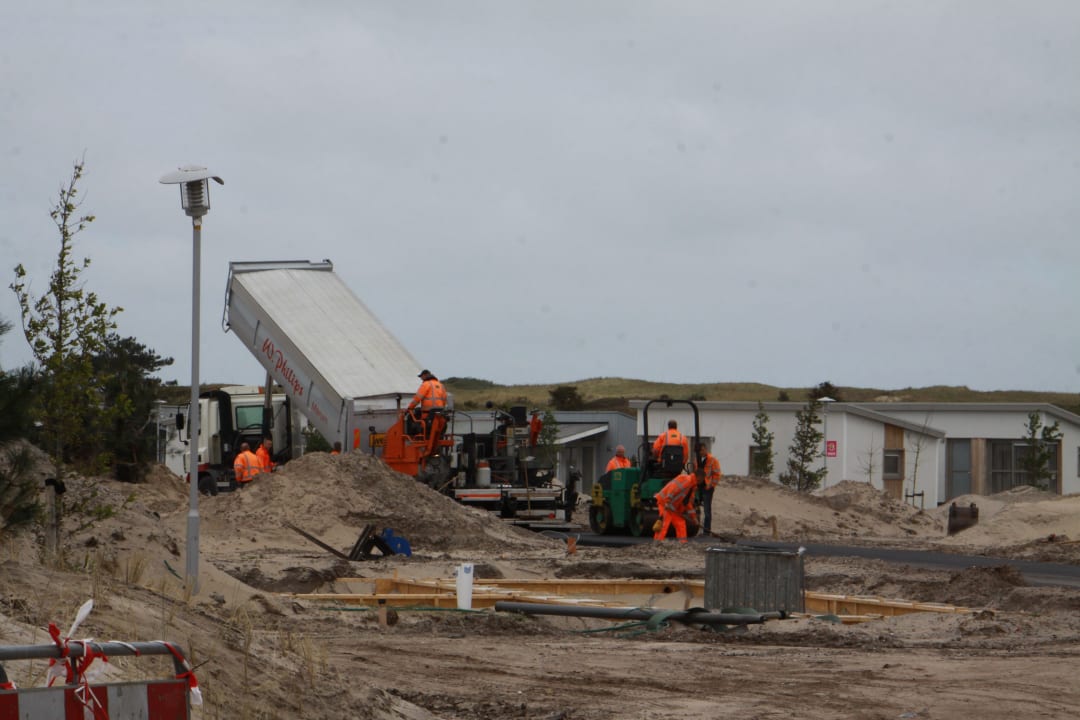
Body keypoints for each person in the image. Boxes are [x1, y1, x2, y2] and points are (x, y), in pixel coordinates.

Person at [653, 467, 699, 543]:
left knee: (680, 523)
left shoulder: (692, 486)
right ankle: (657, 542)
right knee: (664, 523)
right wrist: (667, 501)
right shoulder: (686, 480)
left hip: (672, 507)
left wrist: (694, 518)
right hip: (665, 503)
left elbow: (688, 504)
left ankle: (682, 543)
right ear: (699, 478)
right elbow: (673, 488)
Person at [407, 369, 448, 433]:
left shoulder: (425, 384)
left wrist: (410, 408)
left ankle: (411, 436)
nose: (421, 379)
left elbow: (417, 399)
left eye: (421, 377)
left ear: (425, 375)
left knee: (410, 417)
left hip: (428, 415)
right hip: (439, 415)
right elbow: (444, 400)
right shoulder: (441, 385)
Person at [696, 443, 723, 535]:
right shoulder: (697, 460)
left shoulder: (712, 460)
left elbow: (717, 474)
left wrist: (712, 485)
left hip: (707, 488)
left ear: (705, 449)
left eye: (702, 450)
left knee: (707, 510)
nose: (701, 452)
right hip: (698, 487)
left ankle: (706, 531)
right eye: (700, 450)